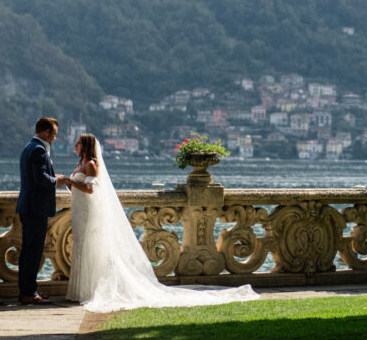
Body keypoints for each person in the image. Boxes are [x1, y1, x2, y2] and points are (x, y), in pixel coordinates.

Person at [63, 133, 264, 311]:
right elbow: (81, 189)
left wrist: (69, 181)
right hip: (81, 212)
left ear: (86, 146)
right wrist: (69, 185)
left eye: (78, 143)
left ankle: (91, 290)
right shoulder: (80, 164)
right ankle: (83, 290)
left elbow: (91, 190)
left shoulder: (90, 165)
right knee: (84, 246)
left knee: (93, 247)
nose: (75, 146)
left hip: (90, 213)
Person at [16, 116, 68, 305]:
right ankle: (29, 292)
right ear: (46, 132)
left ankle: (26, 291)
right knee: (33, 252)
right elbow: (40, 179)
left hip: (28, 206)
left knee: (28, 251)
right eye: (54, 134)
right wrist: (58, 182)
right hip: (36, 208)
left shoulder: (29, 147)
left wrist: (52, 176)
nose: (55, 138)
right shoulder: (38, 150)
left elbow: (37, 176)